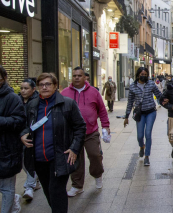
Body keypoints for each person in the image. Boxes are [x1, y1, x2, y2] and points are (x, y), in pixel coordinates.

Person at [20, 73, 86, 212]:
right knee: (49, 191)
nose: (44, 87)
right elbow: (26, 125)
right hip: (38, 158)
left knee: (56, 190)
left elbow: (80, 127)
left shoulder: (67, 104)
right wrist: (23, 135)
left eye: (48, 84)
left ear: (55, 86)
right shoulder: (32, 105)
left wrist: (74, 148)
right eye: (41, 85)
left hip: (59, 156)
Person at [61, 67, 110, 197]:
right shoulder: (64, 93)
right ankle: (77, 186)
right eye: (75, 75)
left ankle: (97, 174)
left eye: (79, 75)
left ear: (85, 77)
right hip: (72, 134)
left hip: (91, 131)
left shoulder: (94, 92)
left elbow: (102, 111)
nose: (77, 77)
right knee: (75, 159)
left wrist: (105, 127)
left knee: (95, 155)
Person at [124, 67, 163, 166]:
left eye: (145, 74)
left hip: (151, 112)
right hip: (140, 113)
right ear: (137, 75)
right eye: (142, 74)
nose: (143, 76)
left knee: (148, 134)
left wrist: (165, 101)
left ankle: (147, 156)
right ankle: (142, 146)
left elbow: (158, 94)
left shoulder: (150, 84)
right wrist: (126, 116)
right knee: (140, 136)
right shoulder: (133, 86)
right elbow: (130, 102)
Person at [0, 66, 26, 213]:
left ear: (4, 78)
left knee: (6, 187)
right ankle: (14, 201)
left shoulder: (12, 98)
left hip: (6, 149)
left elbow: (19, 121)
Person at [19, 79, 41, 201]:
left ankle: (29, 187)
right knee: (23, 163)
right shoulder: (17, 100)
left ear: (33, 89)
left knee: (29, 161)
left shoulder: (38, 102)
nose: (23, 90)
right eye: (21, 88)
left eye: (26, 88)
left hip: (32, 136)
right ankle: (35, 181)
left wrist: (28, 132)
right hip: (18, 136)